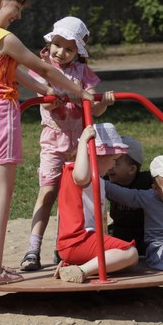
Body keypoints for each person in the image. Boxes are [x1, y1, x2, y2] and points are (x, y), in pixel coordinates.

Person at [0, 0, 93, 288]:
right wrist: (79, 91)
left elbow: (14, 71)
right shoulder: (4, 38)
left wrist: (47, 91)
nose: (18, 15)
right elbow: (43, 67)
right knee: (1, 195)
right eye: (16, 8)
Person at [20, 16, 115, 271]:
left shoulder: (82, 72)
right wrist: (67, 94)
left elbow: (93, 109)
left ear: (78, 52)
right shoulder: (42, 67)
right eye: (57, 45)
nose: (61, 52)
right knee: (47, 192)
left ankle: (63, 247)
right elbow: (48, 102)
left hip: (80, 142)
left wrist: (103, 102)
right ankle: (33, 249)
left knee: (74, 195)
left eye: (69, 49)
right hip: (53, 140)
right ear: (50, 43)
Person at [54, 123, 139, 283]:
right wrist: (84, 142)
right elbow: (80, 177)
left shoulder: (95, 178)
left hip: (79, 241)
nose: (113, 165)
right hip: (78, 239)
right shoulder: (79, 173)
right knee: (130, 253)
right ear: (97, 155)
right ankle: (81, 270)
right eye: (113, 159)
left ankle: (74, 266)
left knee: (129, 263)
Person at [106, 135, 163, 256]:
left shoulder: (147, 180)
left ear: (131, 169)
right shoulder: (105, 180)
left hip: (144, 232)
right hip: (119, 229)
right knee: (107, 240)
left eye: (116, 162)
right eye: (109, 160)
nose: (110, 166)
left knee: (150, 248)